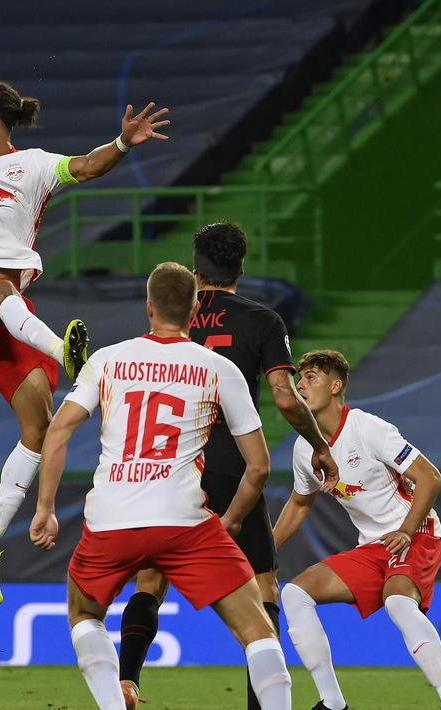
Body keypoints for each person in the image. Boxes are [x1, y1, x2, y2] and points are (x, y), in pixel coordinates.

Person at [0, 79, 171, 603]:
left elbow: (87, 167)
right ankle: (63, 352)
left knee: (39, 425)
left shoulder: (35, 166)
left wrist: (121, 143)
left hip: (11, 314)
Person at [29, 262, 292, 710]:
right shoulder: (219, 368)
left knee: (84, 613)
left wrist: (46, 508)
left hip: (111, 520)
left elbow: (58, 430)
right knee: (258, 633)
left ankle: (116, 700)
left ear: (148, 307)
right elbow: (259, 468)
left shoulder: (107, 360)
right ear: (194, 311)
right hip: (184, 523)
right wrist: (230, 519)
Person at [115, 223, 339, 709]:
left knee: (152, 578)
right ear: (241, 268)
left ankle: (128, 680)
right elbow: (284, 397)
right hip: (229, 466)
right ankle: (263, 705)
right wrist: (319, 445)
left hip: (170, 465)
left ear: (195, 270)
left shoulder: (174, 318)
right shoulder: (263, 321)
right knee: (261, 584)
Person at [274, 350, 441, 710]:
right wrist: (265, 551)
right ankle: (333, 703)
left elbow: (430, 477)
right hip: (373, 547)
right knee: (295, 595)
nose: (300, 385)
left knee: (398, 602)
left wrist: (407, 531)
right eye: (299, 379)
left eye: (311, 377)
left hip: (417, 532)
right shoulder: (305, 449)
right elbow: (301, 503)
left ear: (336, 385)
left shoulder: (368, 428)